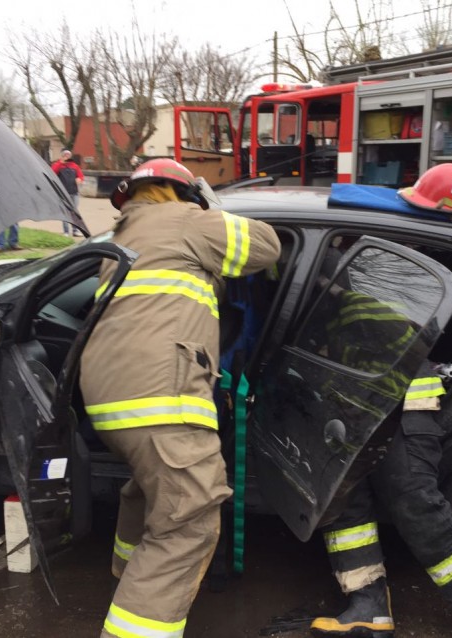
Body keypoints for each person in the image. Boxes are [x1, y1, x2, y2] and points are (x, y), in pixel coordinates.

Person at [79, 158, 281, 638]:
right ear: (183, 193)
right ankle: (138, 620)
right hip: (160, 397)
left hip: (109, 399)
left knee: (151, 488)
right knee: (189, 520)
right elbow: (267, 246)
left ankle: (130, 577)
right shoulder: (187, 221)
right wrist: (212, 209)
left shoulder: (120, 239)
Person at [308, 242, 452, 638]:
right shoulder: (341, 313)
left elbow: (397, 348)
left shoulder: (363, 305)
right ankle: (368, 607)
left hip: (403, 414)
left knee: (416, 505)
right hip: (362, 419)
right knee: (346, 507)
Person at [50, 148, 85, 236]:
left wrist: (79, 179)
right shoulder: (57, 165)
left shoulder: (75, 166)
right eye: (65, 155)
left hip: (74, 192)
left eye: (68, 155)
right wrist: (61, 162)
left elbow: (81, 176)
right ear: (62, 155)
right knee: (65, 212)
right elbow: (52, 173)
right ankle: (66, 231)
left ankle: (75, 230)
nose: (67, 156)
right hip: (63, 193)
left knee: (74, 212)